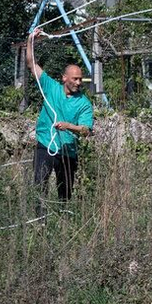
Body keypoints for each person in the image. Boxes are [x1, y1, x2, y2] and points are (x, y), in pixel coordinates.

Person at [24, 33, 93, 204]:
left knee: (65, 193)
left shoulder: (84, 103)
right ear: (64, 78)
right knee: (39, 185)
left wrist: (69, 126)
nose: (78, 82)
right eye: (75, 79)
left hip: (68, 151)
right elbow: (31, 64)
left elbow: (86, 131)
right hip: (46, 144)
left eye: (80, 79)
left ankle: (64, 222)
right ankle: (40, 222)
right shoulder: (51, 87)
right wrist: (30, 40)